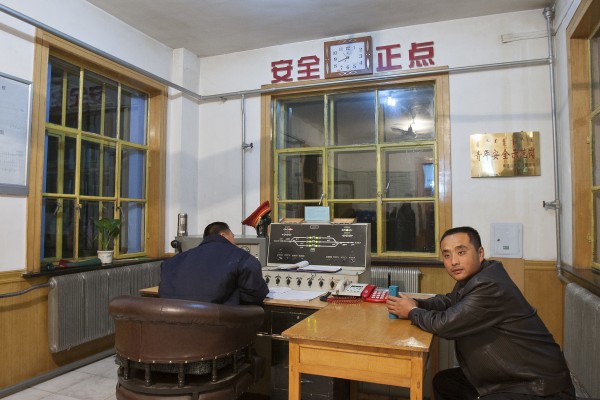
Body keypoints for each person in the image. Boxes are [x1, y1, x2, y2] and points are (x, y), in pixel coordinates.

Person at [386, 226, 575, 400]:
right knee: (445, 383)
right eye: (447, 255)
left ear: (480, 253)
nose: (454, 261)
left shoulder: (490, 285)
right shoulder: (477, 277)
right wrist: (418, 303)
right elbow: (448, 301)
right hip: (508, 376)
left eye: (461, 252)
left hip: (538, 386)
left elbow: (445, 325)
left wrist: (411, 311)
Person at [159, 221, 269, 305]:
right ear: (223, 235)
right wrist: (233, 294)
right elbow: (256, 295)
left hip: (172, 328)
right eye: (233, 237)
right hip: (219, 327)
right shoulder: (243, 258)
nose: (235, 242)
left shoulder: (171, 262)